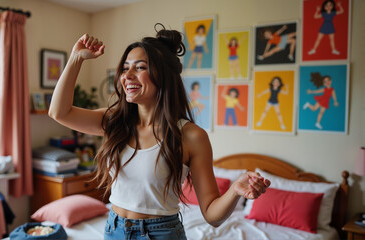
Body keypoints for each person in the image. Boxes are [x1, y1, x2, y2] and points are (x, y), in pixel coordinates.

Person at [49, 24, 270, 240]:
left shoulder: (191, 136)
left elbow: (212, 215)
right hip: (114, 228)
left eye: (140, 67)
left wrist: (234, 191)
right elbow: (59, 112)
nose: (127, 76)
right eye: (125, 68)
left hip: (160, 233)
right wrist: (76, 58)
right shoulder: (115, 121)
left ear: (162, 75)